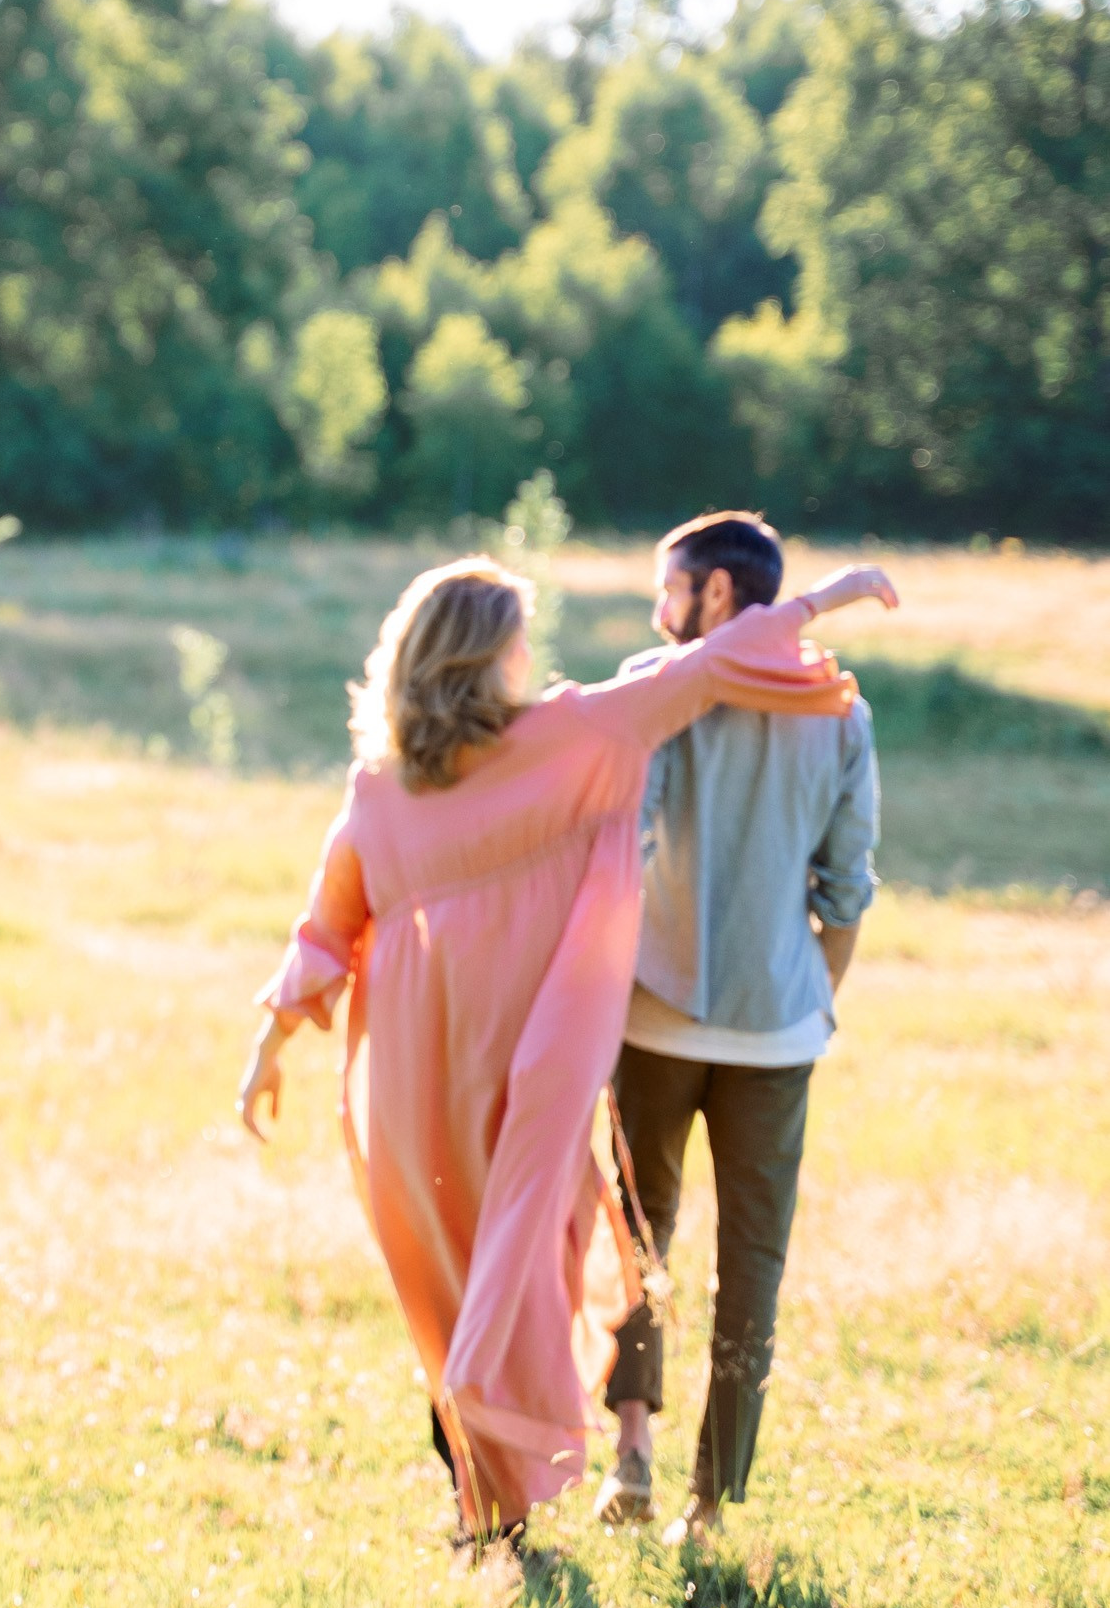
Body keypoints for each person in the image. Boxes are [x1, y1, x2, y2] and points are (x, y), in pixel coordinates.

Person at [237, 547, 897, 1552]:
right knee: (480, 1271)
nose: (530, 655)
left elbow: (323, 925)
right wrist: (825, 597)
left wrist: (270, 1042)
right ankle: (485, 1514)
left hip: (442, 1069)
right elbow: (713, 665)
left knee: (488, 1268)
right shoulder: (527, 743)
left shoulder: (400, 775)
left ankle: (488, 1511)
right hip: (490, 1067)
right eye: (518, 639)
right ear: (481, 657)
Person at [593, 511, 881, 1544]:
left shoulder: (653, 683)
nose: (655, 608)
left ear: (715, 594)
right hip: (776, 1029)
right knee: (749, 1262)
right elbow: (845, 885)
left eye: (667, 587)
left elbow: (618, 847)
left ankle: (629, 1448)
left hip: (651, 1016)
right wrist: (817, 991)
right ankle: (707, 1503)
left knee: (638, 1233)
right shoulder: (836, 706)